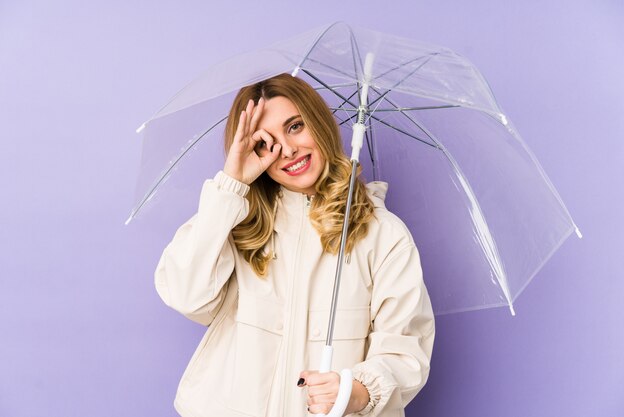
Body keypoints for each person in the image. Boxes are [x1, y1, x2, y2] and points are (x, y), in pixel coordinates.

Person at [154, 74, 435, 417]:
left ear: (319, 124)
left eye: (295, 127)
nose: (287, 150)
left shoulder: (384, 236)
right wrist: (232, 184)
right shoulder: (239, 222)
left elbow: (405, 350)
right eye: (264, 143)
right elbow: (186, 295)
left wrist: (356, 391)